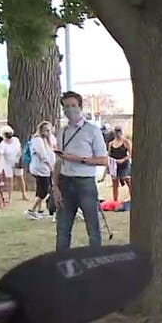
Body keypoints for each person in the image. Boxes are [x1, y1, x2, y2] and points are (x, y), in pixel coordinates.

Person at [55, 91, 109, 250]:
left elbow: (103, 160)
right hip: (65, 182)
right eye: (66, 106)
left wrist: (79, 159)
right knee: (63, 229)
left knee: (92, 228)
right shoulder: (62, 132)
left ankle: (95, 260)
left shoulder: (92, 131)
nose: (69, 109)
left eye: (73, 105)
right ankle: (62, 263)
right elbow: (59, 160)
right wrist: (55, 185)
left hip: (85, 183)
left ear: (80, 107)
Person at [26, 121, 57, 219]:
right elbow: (42, 155)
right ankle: (32, 210)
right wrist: (50, 165)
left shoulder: (49, 139)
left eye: (49, 130)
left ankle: (39, 210)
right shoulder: (38, 140)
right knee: (43, 190)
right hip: (41, 169)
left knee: (41, 188)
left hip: (47, 168)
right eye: (46, 130)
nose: (48, 132)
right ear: (41, 131)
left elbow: (54, 147)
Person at [0, 125, 27, 203]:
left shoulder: (16, 140)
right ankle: (10, 197)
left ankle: (24, 194)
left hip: (17, 162)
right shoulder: (3, 144)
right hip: (7, 163)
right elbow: (0, 155)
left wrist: (18, 157)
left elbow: (20, 149)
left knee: (20, 177)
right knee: (9, 179)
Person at [108, 125, 133, 202]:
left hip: (124, 165)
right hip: (114, 166)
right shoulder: (111, 143)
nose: (118, 133)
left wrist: (123, 159)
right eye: (116, 131)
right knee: (115, 184)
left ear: (122, 132)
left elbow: (131, 154)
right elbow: (109, 155)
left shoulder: (126, 142)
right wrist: (109, 166)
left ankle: (133, 199)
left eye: (119, 131)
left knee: (128, 181)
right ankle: (115, 201)